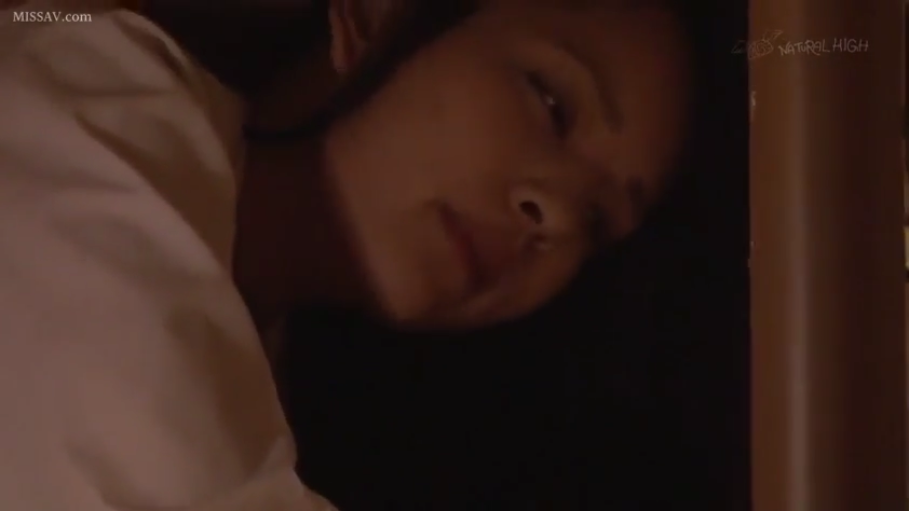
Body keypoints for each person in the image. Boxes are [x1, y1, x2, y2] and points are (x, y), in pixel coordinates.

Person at [0, 0, 697, 510]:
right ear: (374, 15)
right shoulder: (95, 119)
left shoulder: (267, 388)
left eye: (597, 221)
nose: (557, 216)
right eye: (550, 102)